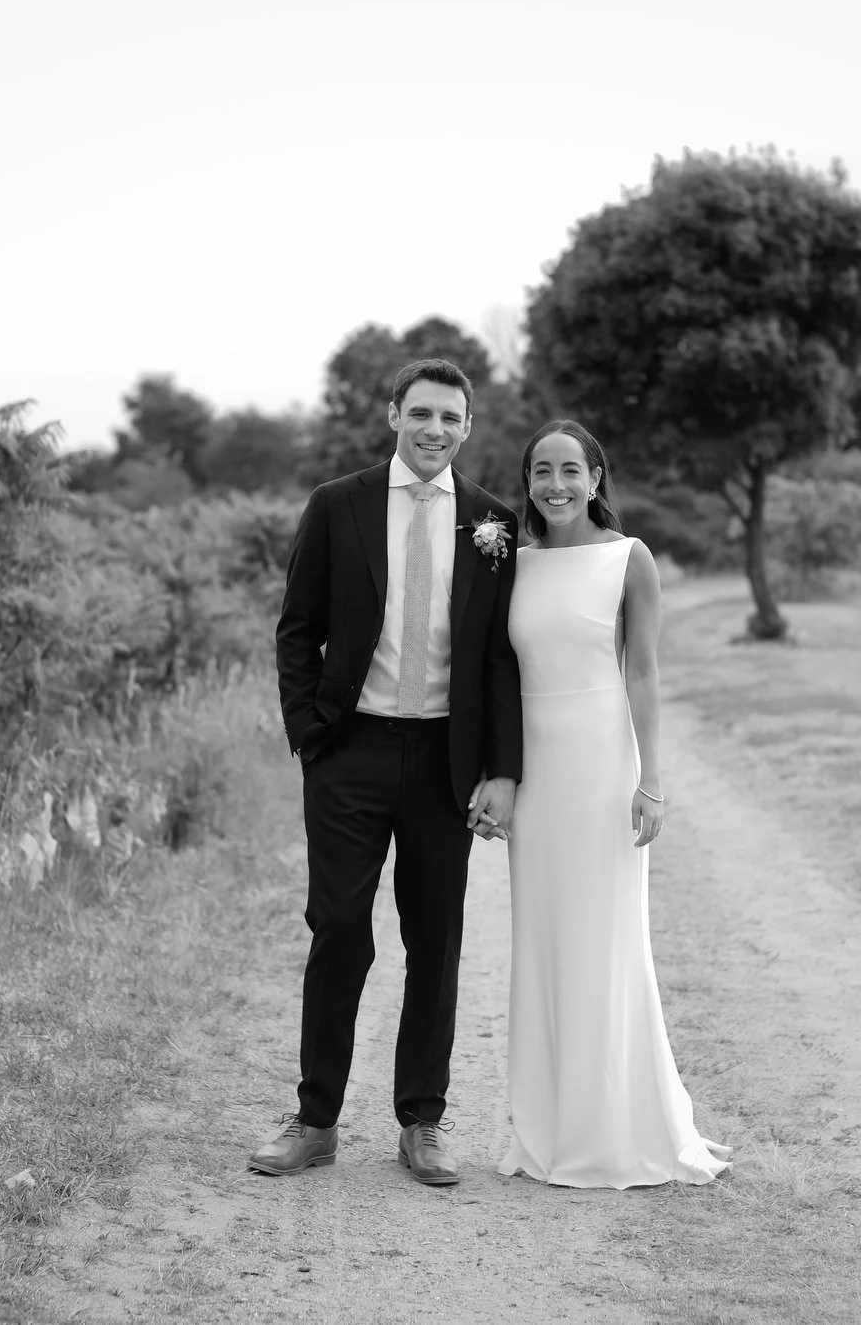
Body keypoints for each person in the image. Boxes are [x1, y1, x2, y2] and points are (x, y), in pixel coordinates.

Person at [252, 358, 524, 1187]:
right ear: (393, 415)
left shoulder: (493, 523)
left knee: (434, 941)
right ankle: (316, 1119)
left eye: (450, 417)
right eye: (421, 414)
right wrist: (309, 734)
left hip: (445, 758)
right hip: (352, 751)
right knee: (338, 930)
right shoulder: (339, 504)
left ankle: (422, 1122)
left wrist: (502, 770)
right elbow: (297, 629)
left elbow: (502, 661)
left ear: (468, 427)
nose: (434, 430)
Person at [497, 419, 729, 1188]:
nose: (555, 485)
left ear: (597, 477)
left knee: (605, 939)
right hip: (535, 775)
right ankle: (549, 1128)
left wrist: (652, 777)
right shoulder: (508, 561)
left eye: (570, 470)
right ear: (526, 481)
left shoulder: (630, 560)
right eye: (540, 472)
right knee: (543, 938)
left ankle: (616, 1128)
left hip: (602, 765)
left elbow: (646, 675)